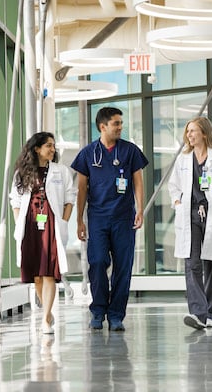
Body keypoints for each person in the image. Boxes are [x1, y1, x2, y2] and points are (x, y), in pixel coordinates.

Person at [70, 107, 148, 331]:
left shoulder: (130, 151)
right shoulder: (88, 154)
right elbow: (82, 189)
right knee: (97, 263)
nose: (120, 127)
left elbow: (138, 182)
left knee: (123, 268)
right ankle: (98, 310)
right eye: (116, 123)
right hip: (98, 218)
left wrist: (140, 209)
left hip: (124, 218)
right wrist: (79, 220)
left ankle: (116, 315)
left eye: (121, 123)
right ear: (103, 126)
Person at [168, 116, 212, 330]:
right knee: (192, 264)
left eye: (193, 131)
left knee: (211, 265)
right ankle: (198, 312)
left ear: (204, 134)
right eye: (187, 131)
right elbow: (173, 186)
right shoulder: (183, 160)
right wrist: (178, 202)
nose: (189, 135)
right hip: (189, 215)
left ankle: (210, 313)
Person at [10, 132, 76, 335]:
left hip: (52, 224)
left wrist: (64, 222)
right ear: (37, 148)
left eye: (53, 145)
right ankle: (47, 314)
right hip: (30, 225)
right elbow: (15, 201)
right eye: (48, 145)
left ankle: (46, 317)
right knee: (37, 276)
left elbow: (69, 199)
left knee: (49, 273)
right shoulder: (22, 173)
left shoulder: (61, 171)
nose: (52, 149)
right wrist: (19, 223)